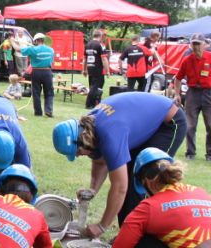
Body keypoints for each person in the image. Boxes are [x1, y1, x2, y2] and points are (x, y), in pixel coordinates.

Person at [52, 91, 187, 236]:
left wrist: (102, 226)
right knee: (130, 178)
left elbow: (120, 187)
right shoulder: (88, 127)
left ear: (82, 141)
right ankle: (127, 236)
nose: (78, 155)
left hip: (168, 123)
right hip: (141, 124)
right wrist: (92, 190)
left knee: (144, 180)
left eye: (78, 152)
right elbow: (100, 162)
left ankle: (140, 237)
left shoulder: (109, 134)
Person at [170, 36, 211, 162]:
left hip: (210, 93)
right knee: (190, 125)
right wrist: (177, 94)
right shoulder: (187, 60)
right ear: (190, 45)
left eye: (198, 43)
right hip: (193, 93)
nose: (196, 46)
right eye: (194, 44)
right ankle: (190, 152)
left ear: (204, 44)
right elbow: (178, 78)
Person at [21, 32, 55, 117]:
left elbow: (20, 50)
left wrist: (12, 41)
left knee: (36, 93)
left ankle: (38, 112)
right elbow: (52, 62)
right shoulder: (51, 50)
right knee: (49, 92)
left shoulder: (33, 49)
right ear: (44, 40)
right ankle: (48, 111)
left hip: (36, 72)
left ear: (36, 41)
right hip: (47, 71)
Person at [83, 29, 106, 109]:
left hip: (90, 67)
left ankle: (94, 103)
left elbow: (85, 59)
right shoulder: (100, 45)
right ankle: (88, 104)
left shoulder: (87, 44)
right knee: (95, 87)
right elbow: (104, 59)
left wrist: (84, 69)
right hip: (97, 68)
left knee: (92, 86)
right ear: (100, 36)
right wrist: (107, 70)